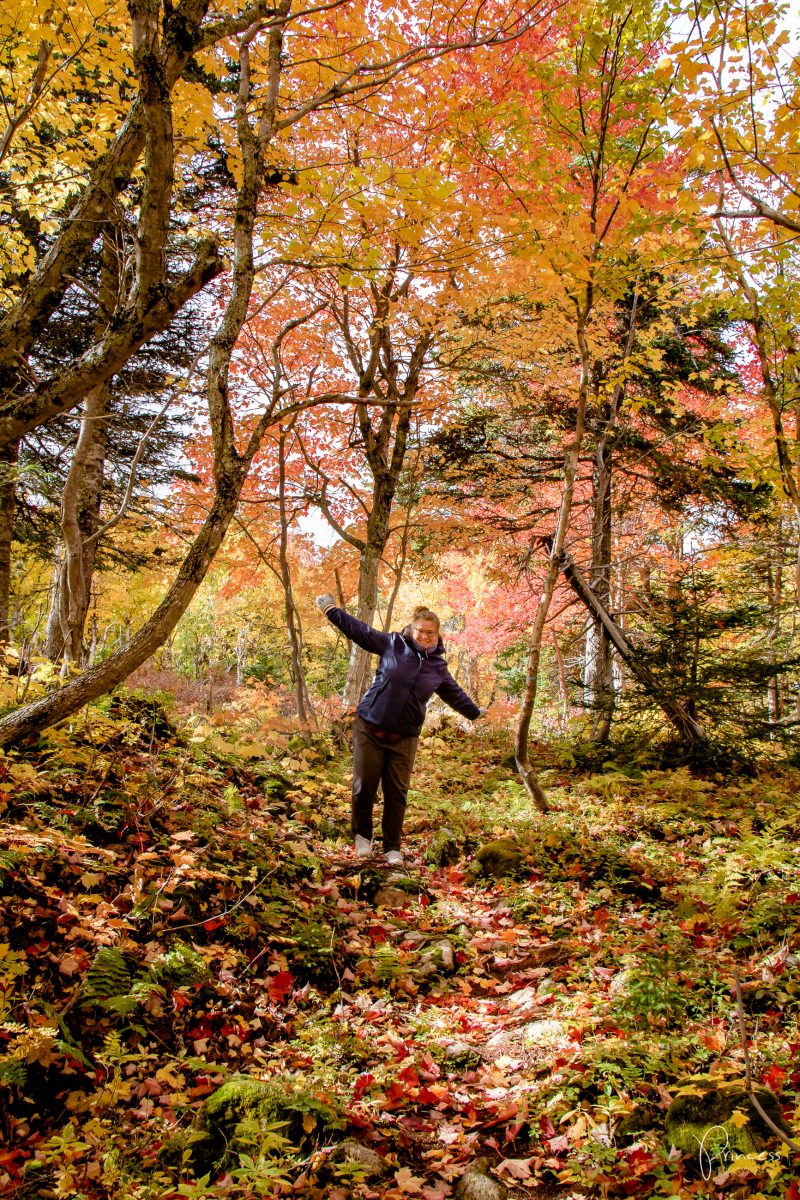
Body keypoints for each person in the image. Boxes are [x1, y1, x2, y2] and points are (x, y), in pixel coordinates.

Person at [315, 596, 484, 866]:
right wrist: (331, 611)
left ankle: (392, 847)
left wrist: (476, 714)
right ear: (412, 628)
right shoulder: (393, 644)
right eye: (420, 631)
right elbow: (360, 631)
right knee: (364, 786)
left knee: (397, 793)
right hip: (370, 727)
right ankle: (362, 836)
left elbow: (455, 694)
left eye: (431, 633)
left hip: (405, 737)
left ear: (437, 634)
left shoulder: (438, 667)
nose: (425, 636)